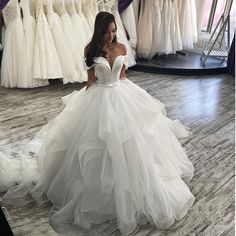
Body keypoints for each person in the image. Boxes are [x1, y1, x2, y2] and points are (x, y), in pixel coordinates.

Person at [1, 11, 195, 235]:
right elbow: (91, 82)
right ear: (99, 31)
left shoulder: (122, 48)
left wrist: (130, 95)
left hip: (122, 96)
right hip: (99, 97)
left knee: (134, 143)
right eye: (107, 32)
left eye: (114, 31)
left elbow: (122, 77)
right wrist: (82, 109)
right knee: (96, 145)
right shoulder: (90, 50)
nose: (111, 36)